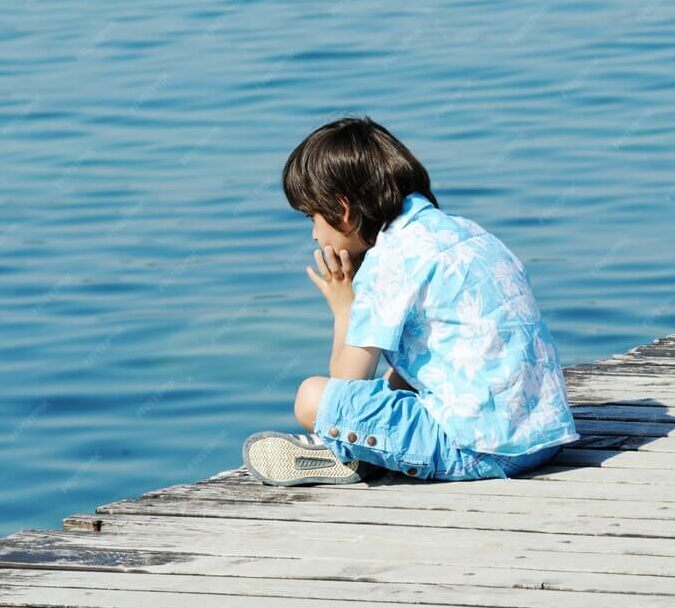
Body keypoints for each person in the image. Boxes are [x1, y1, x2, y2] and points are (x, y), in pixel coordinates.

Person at [242, 116, 580, 486]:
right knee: (392, 384)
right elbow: (432, 357)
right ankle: (373, 450)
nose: (312, 233)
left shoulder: (390, 261)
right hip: (545, 436)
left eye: (312, 217)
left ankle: (352, 454)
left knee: (312, 397)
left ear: (343, 210)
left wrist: (344, 309)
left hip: (477, 450)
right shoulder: (467, 232)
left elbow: (347, 382)